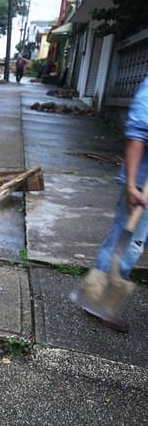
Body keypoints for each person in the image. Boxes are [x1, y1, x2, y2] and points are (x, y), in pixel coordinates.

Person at [85, 76, 148, 332]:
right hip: (141, 188)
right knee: (126, 244)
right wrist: (132, 185)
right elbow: (137, 134)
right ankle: (97, 302)